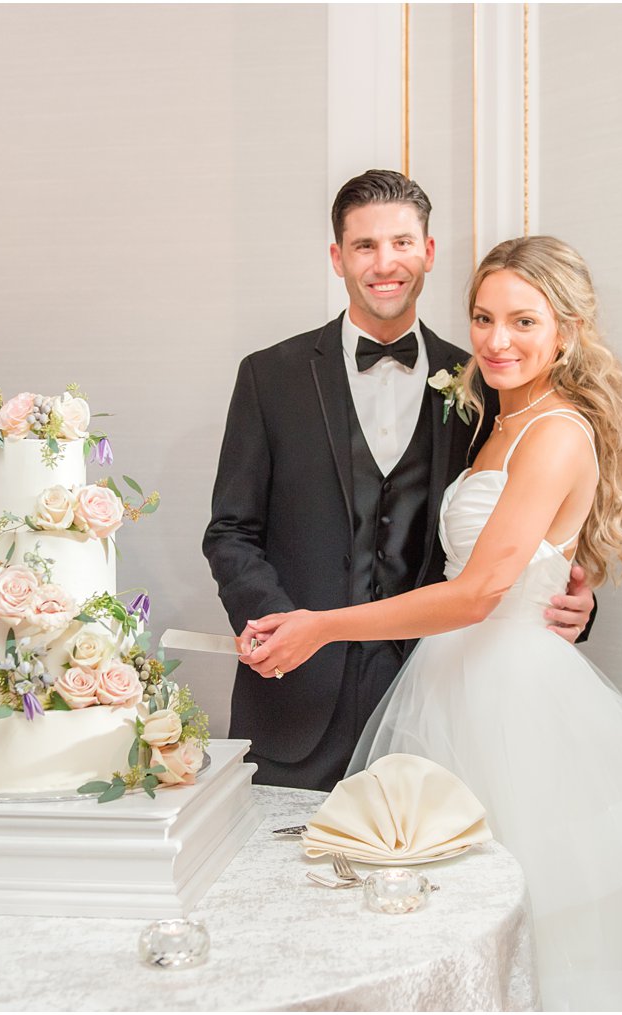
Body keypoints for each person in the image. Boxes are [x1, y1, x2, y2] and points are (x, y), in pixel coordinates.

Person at [241, 236, 622, 1010]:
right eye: (484, 318)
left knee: (528, 910)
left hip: (512, 693)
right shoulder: (492, 416)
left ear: (568, 329)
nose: (495, 340)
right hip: (451, 676)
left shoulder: (555, 432)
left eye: (524, 321)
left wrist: (321, 625)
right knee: (449, 907)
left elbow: (482, 588)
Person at [203, 170, 598, 792]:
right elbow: (231, 531)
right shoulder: (268, 377)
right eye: (364, 246)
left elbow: (535, 527)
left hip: (434, 700)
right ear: (338, 258)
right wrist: (285, 628)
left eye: (402, 243)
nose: (385, 263)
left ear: (429, 252)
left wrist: (575, 602)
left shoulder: (486, 379)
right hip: (296, 697)